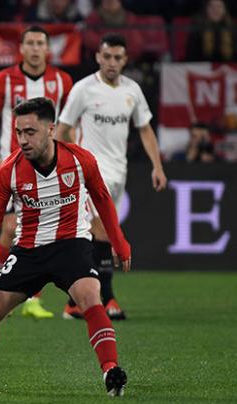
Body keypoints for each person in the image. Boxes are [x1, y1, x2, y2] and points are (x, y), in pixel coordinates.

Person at [0, 97, 131, 397]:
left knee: (89, 297)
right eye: (19, 132)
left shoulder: (80, 160)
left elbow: (102, 200)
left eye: (30, 131)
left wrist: (119, 242)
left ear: (51, 129)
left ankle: (111, 370)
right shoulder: (9, 170)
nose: (23, 139)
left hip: (71, 246)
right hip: (29, 251)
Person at [57, 33, 167, 320]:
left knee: (95, 235)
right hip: (90, 172)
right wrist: (72, 160)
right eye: (107, 56)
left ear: (125, 60)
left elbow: (144, 128)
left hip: (119, 172)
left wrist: (157, 165)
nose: (112, 62)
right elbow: (63, 128)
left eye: (118, 57)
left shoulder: (132, 90)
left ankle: (73, 302)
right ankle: (108, 299)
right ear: (98, 57)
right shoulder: (84, 89)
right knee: (102, 231)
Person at [0, 25, 73, 319]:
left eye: (40, 43)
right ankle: (6, 287)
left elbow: (69, 124)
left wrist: (69, 156)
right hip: (13, 166)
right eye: (30, 43)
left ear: (47, 49)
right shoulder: (3, 80)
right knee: (9, 227)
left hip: (50, 165)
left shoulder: (62, 81)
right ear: (21, 48)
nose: (35, 48)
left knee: (42, 230)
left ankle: (32, 298)